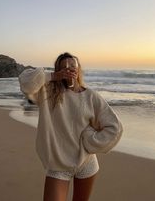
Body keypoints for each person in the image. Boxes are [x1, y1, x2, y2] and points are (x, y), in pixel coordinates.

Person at [18, 52, 123, 201]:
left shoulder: (91, 96)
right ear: (58, 70)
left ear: (79, 69)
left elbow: (114, 127)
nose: (69, 69)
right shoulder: (47, 92)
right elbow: (25, 81)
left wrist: (89, 141)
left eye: (73, 66)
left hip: (86, 163)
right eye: (63, 67)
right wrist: (53, 77)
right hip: (58, 165)